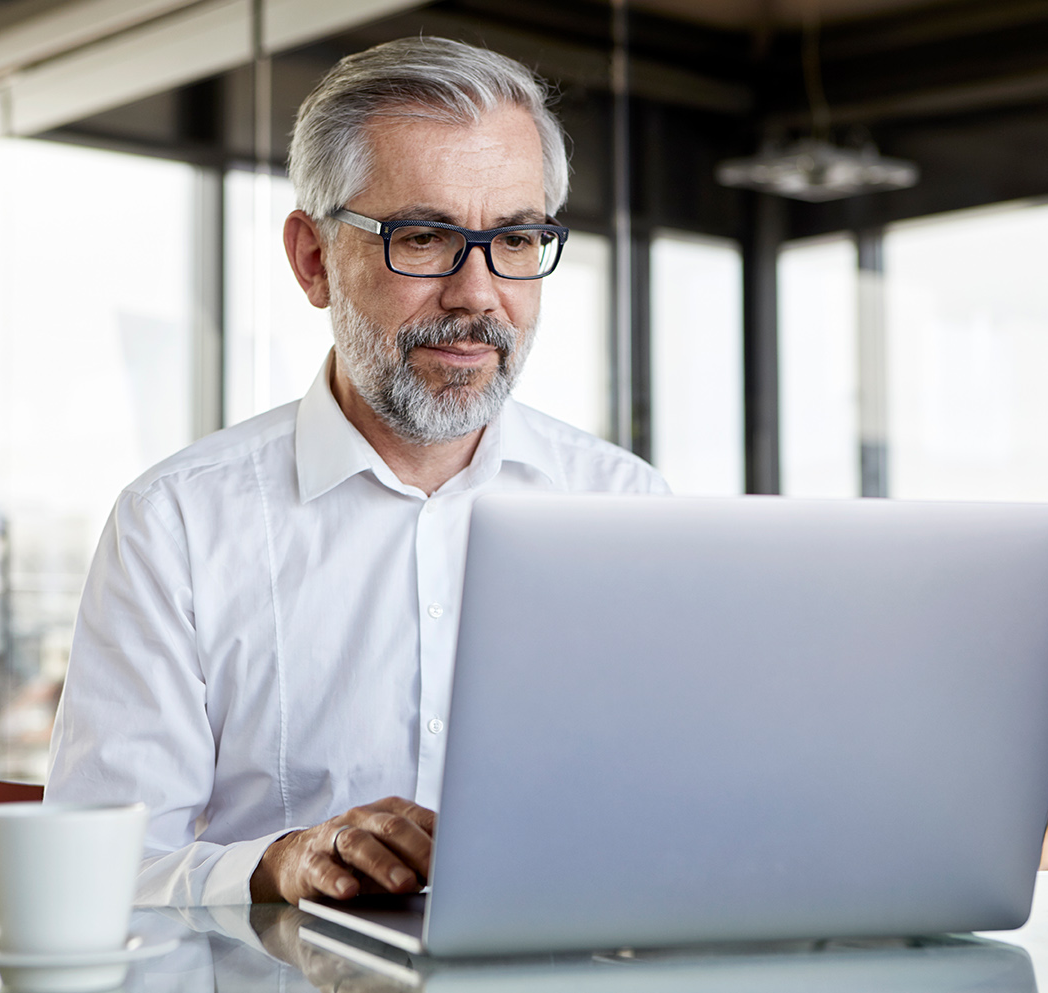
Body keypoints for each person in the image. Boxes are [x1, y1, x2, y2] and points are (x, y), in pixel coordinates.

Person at [45, 36, 668, 909]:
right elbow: (92, 874)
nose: (478, 294)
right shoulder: (178, 524)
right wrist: (273, 864)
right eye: (423, 236)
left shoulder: (629, 511)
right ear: (313, 260)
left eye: (517, 239)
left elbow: (675, 823)